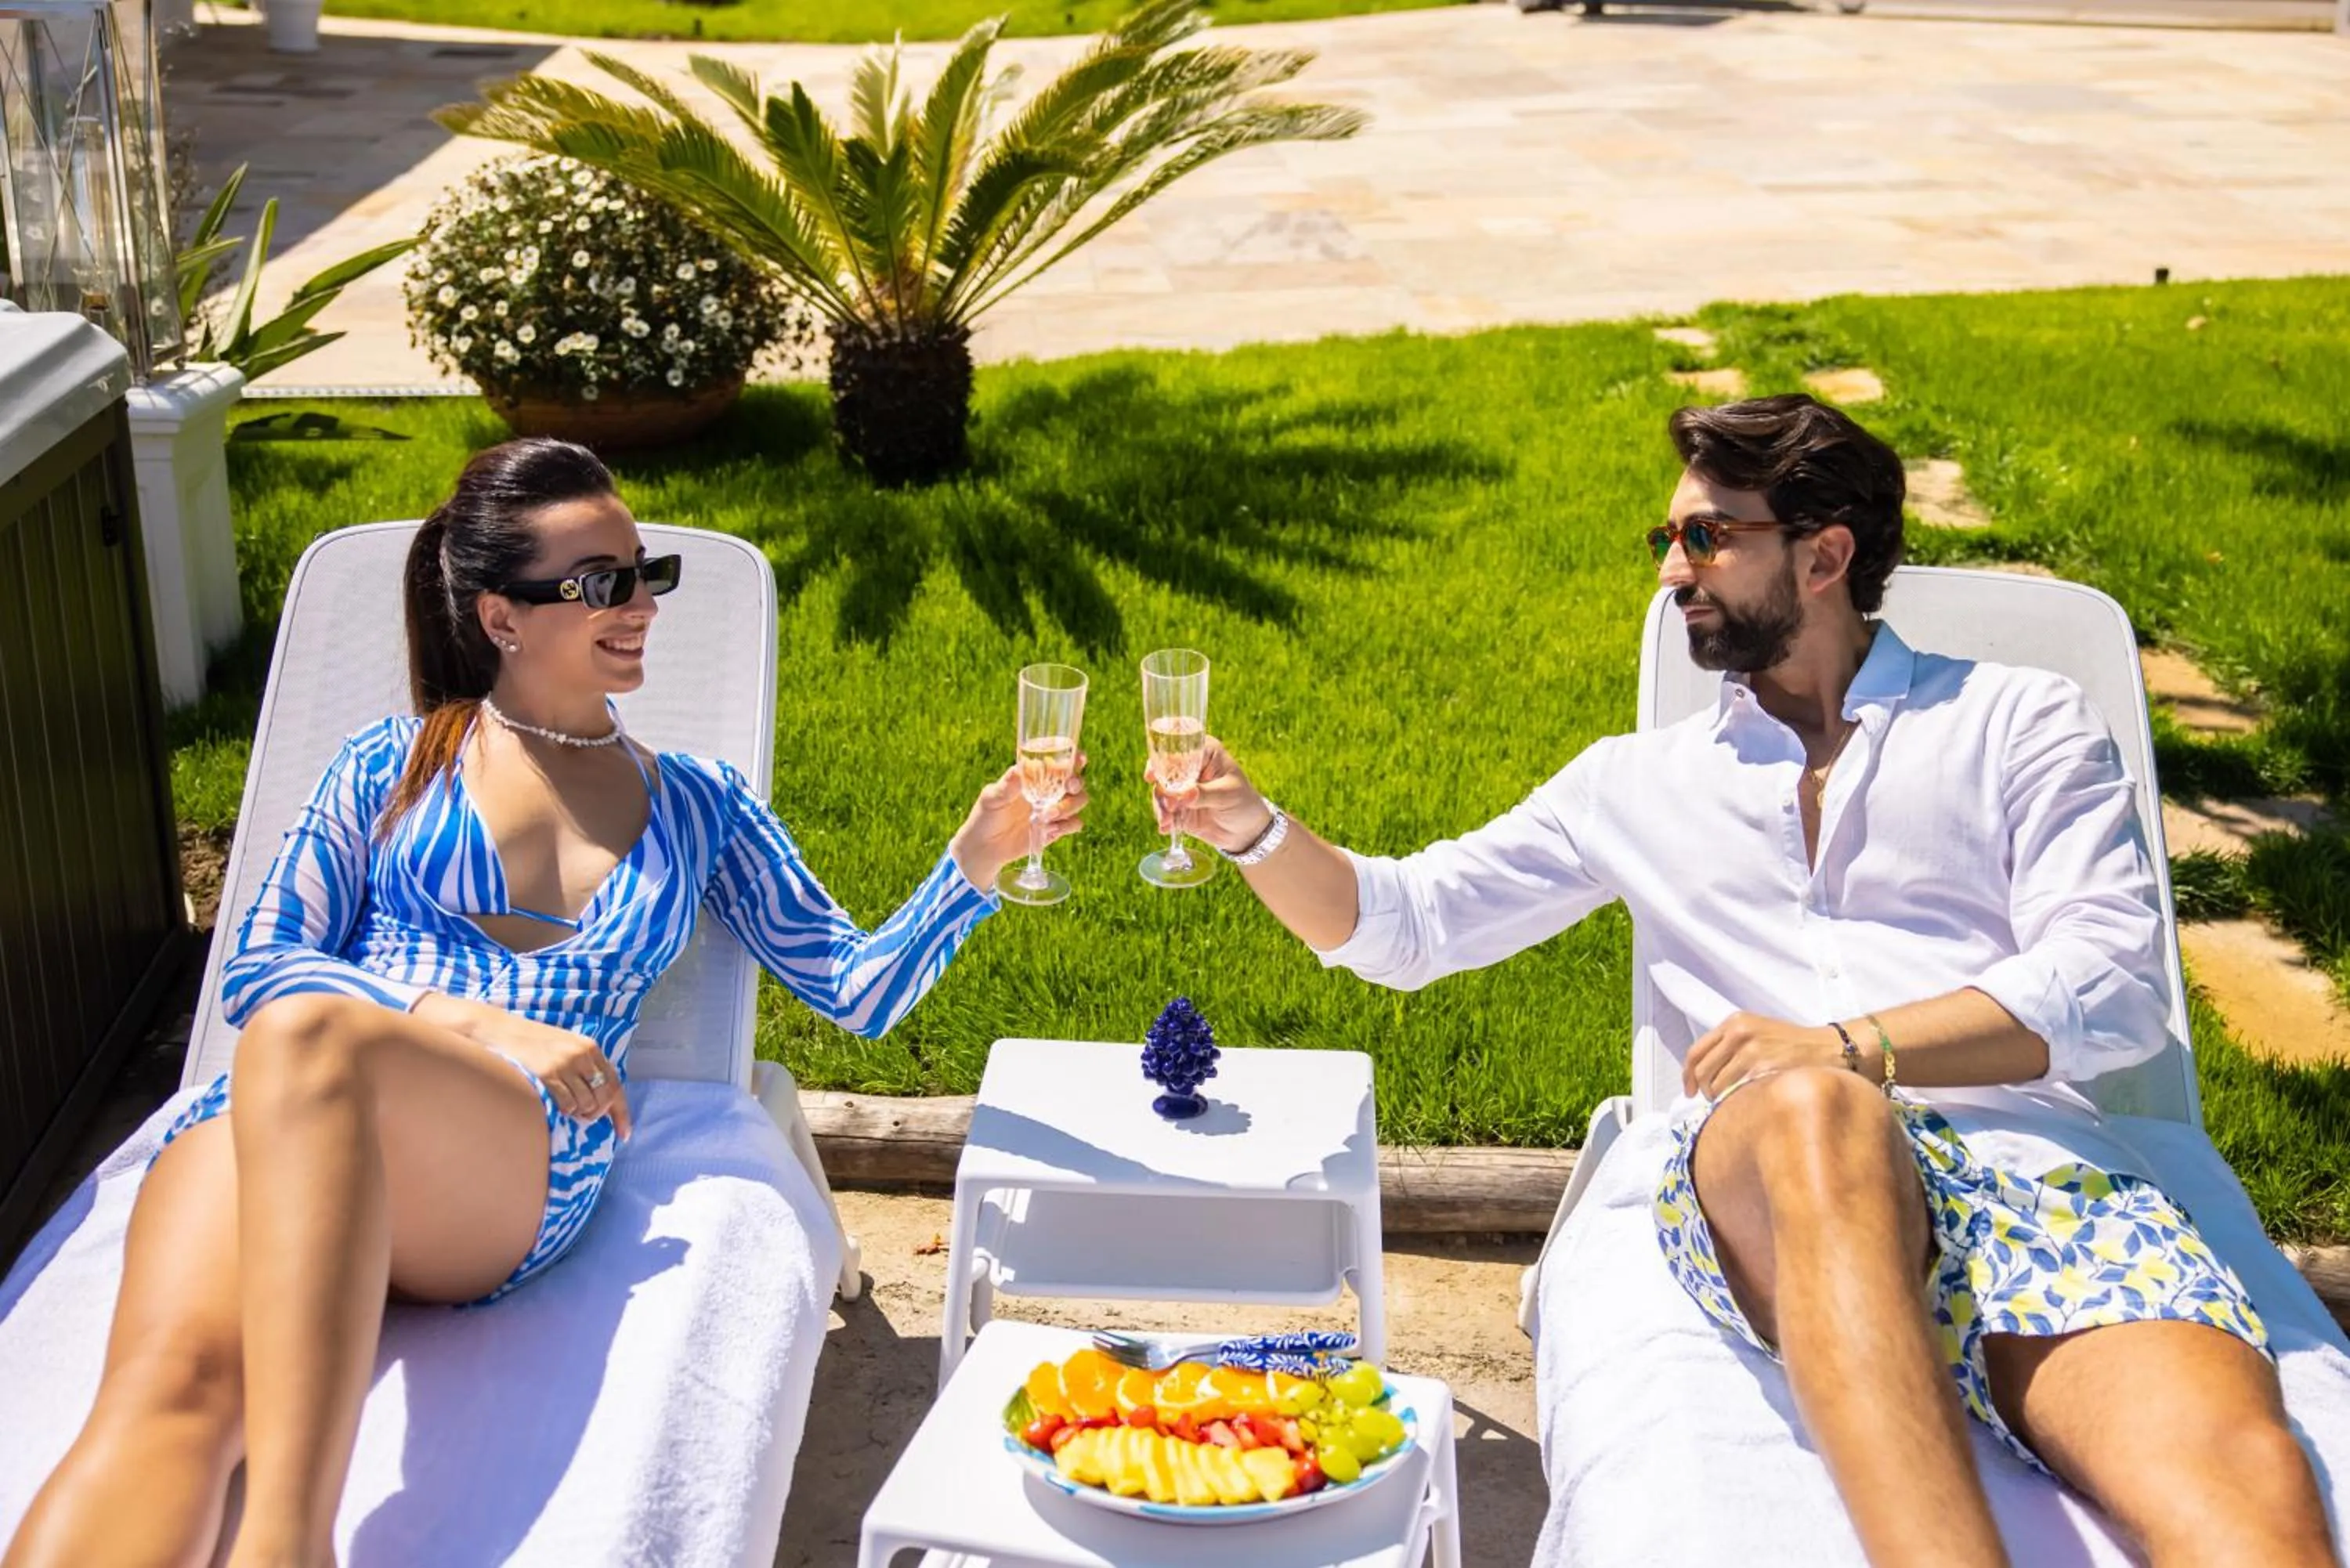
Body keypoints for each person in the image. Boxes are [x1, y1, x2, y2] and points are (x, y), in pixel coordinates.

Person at [1156, 395, 2337, 1567]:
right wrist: (1253, 828)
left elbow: (2111, 982)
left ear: (1825, 555)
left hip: (2037, 1185)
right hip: (1777, 1176)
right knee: (1814, 1112)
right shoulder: (1636, 783)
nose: (1675, 568)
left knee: (2246, 1512)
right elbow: (1406, 923)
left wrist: (1846, 1041)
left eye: (1709, 537)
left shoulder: (2016, 722)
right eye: (1667, 539)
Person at [4, 438, 1088, 1568]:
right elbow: (260, 967)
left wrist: (976, 862)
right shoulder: (388, 765)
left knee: (313, 1035)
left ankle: (288, 1543)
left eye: (643, 572)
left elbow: (858, 991)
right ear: (502, 616)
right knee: (168, 1396)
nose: (639, 607)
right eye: (598, 583)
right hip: (278, 1122)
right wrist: (471, 1016)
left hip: (503, 1158)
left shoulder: (696, 805)